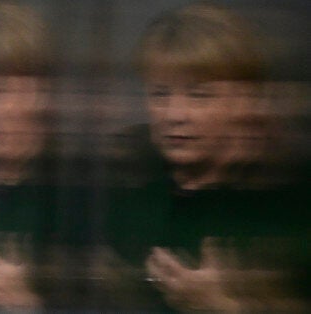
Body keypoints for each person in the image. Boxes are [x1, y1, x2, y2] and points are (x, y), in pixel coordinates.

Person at [100, 2, 310, 312]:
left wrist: (220, 306)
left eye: (199, 95)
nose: (175, 115)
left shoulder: (287, 200)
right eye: (160, 94)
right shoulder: (128, 189)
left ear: (245, 101)